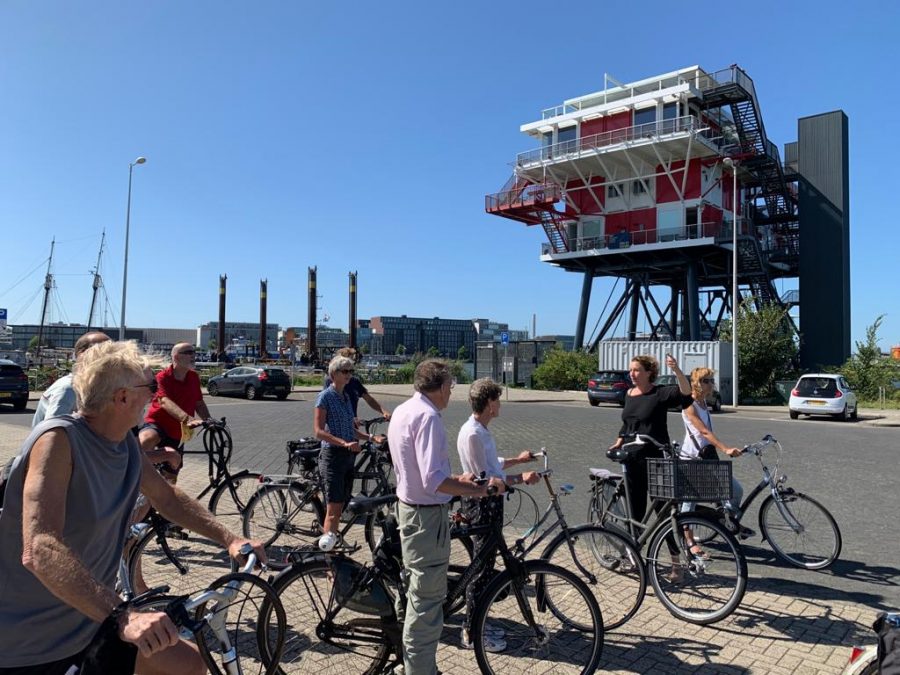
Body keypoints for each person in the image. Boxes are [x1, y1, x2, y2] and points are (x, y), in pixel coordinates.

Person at [0, 340, 264, 675]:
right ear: (122, 397)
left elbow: (166, 497)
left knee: (190, 664)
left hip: (93, 618)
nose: (155, 395)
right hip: (32, 642)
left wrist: (229, 538)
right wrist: (124, 615)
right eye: (150, 386)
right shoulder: (59, 441)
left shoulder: (124, 441)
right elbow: (40, 548)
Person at [387, 359, 504, 675]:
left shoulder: (403, 411)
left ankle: (408, 664)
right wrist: (480, 490)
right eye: (450, 385)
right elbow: (433, 481)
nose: (452, 391)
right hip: (427, 519)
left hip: (409, 511)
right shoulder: (428, 418)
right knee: (427, 606)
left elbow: (420, 470)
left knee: (413, 594)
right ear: (438, 387)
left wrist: (458, 479)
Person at [456, 378, 539, 652]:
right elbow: (486, 480)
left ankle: (479, 621)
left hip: (489, 505)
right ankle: (471, 632)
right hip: (483, 507)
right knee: (480, 572)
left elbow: (494, 463)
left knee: (486, 567)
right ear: (490, 403)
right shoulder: (473, 433)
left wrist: (518, 459)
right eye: (498, 400)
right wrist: (521, 478)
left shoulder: (479, 430)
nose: (500, 404)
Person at [608, 354, 692, 523]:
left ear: (649, 372)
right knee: (636, 505)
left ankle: (673, 545)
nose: (632, 373)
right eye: (630, 370)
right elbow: (628, 423)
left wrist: (676, 370)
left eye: (637, 370)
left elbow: (686, 393)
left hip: (656, 457)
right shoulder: (629, 394)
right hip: (632, 457)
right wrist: (618, 441)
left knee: (662, 504)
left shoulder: (659, 393)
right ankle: (634, 544)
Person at [314, 355, 385, 551]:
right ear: (333, 374)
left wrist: (371, 438)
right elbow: (319, 431)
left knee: (341, 506)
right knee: (333, 511)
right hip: (333, 457)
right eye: (345, 371)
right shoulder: (325, 397)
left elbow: (349, 430)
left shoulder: (346, 397)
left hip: (347, 457)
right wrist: (344, 443)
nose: (349, 375)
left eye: (351, 371)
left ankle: (332, 543)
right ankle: (328, 559)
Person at [679, 367, 750, 551]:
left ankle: (725, 521)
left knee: (736, 491)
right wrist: (725, 448)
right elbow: (703, 431)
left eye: (711, 380)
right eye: (707, 381)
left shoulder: (704, 403)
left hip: (707, 457)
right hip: (692, 458)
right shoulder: (690, 405)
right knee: (690, 499)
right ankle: (688, 540)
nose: (711, 384)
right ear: (696, 383)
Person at [139, 342, 211, 479]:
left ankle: (162, 497)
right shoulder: (162, 377)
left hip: (178, 432)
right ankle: (137, 474)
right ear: (176, 357)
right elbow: (164, 401)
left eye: (194, 352)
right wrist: (187, 418)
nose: (193, 355)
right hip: (157, 424)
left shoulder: (193, 378)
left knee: (171, 476)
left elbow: (199, 403)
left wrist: (209, 420)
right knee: (146, 440)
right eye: (189, 352)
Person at [31, 331, 110, 427]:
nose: (110, 357)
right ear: (82, 354)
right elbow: (53, 432)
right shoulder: (68, 389)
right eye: (104, 351)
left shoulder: (97, 388)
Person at [323, 347, 391, 421]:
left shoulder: (354, 381)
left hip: (352, 425)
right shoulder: (330, 381)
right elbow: (327, 406)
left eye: (352, 363)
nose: (351, 364)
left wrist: (384, 411)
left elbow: (369, 399)